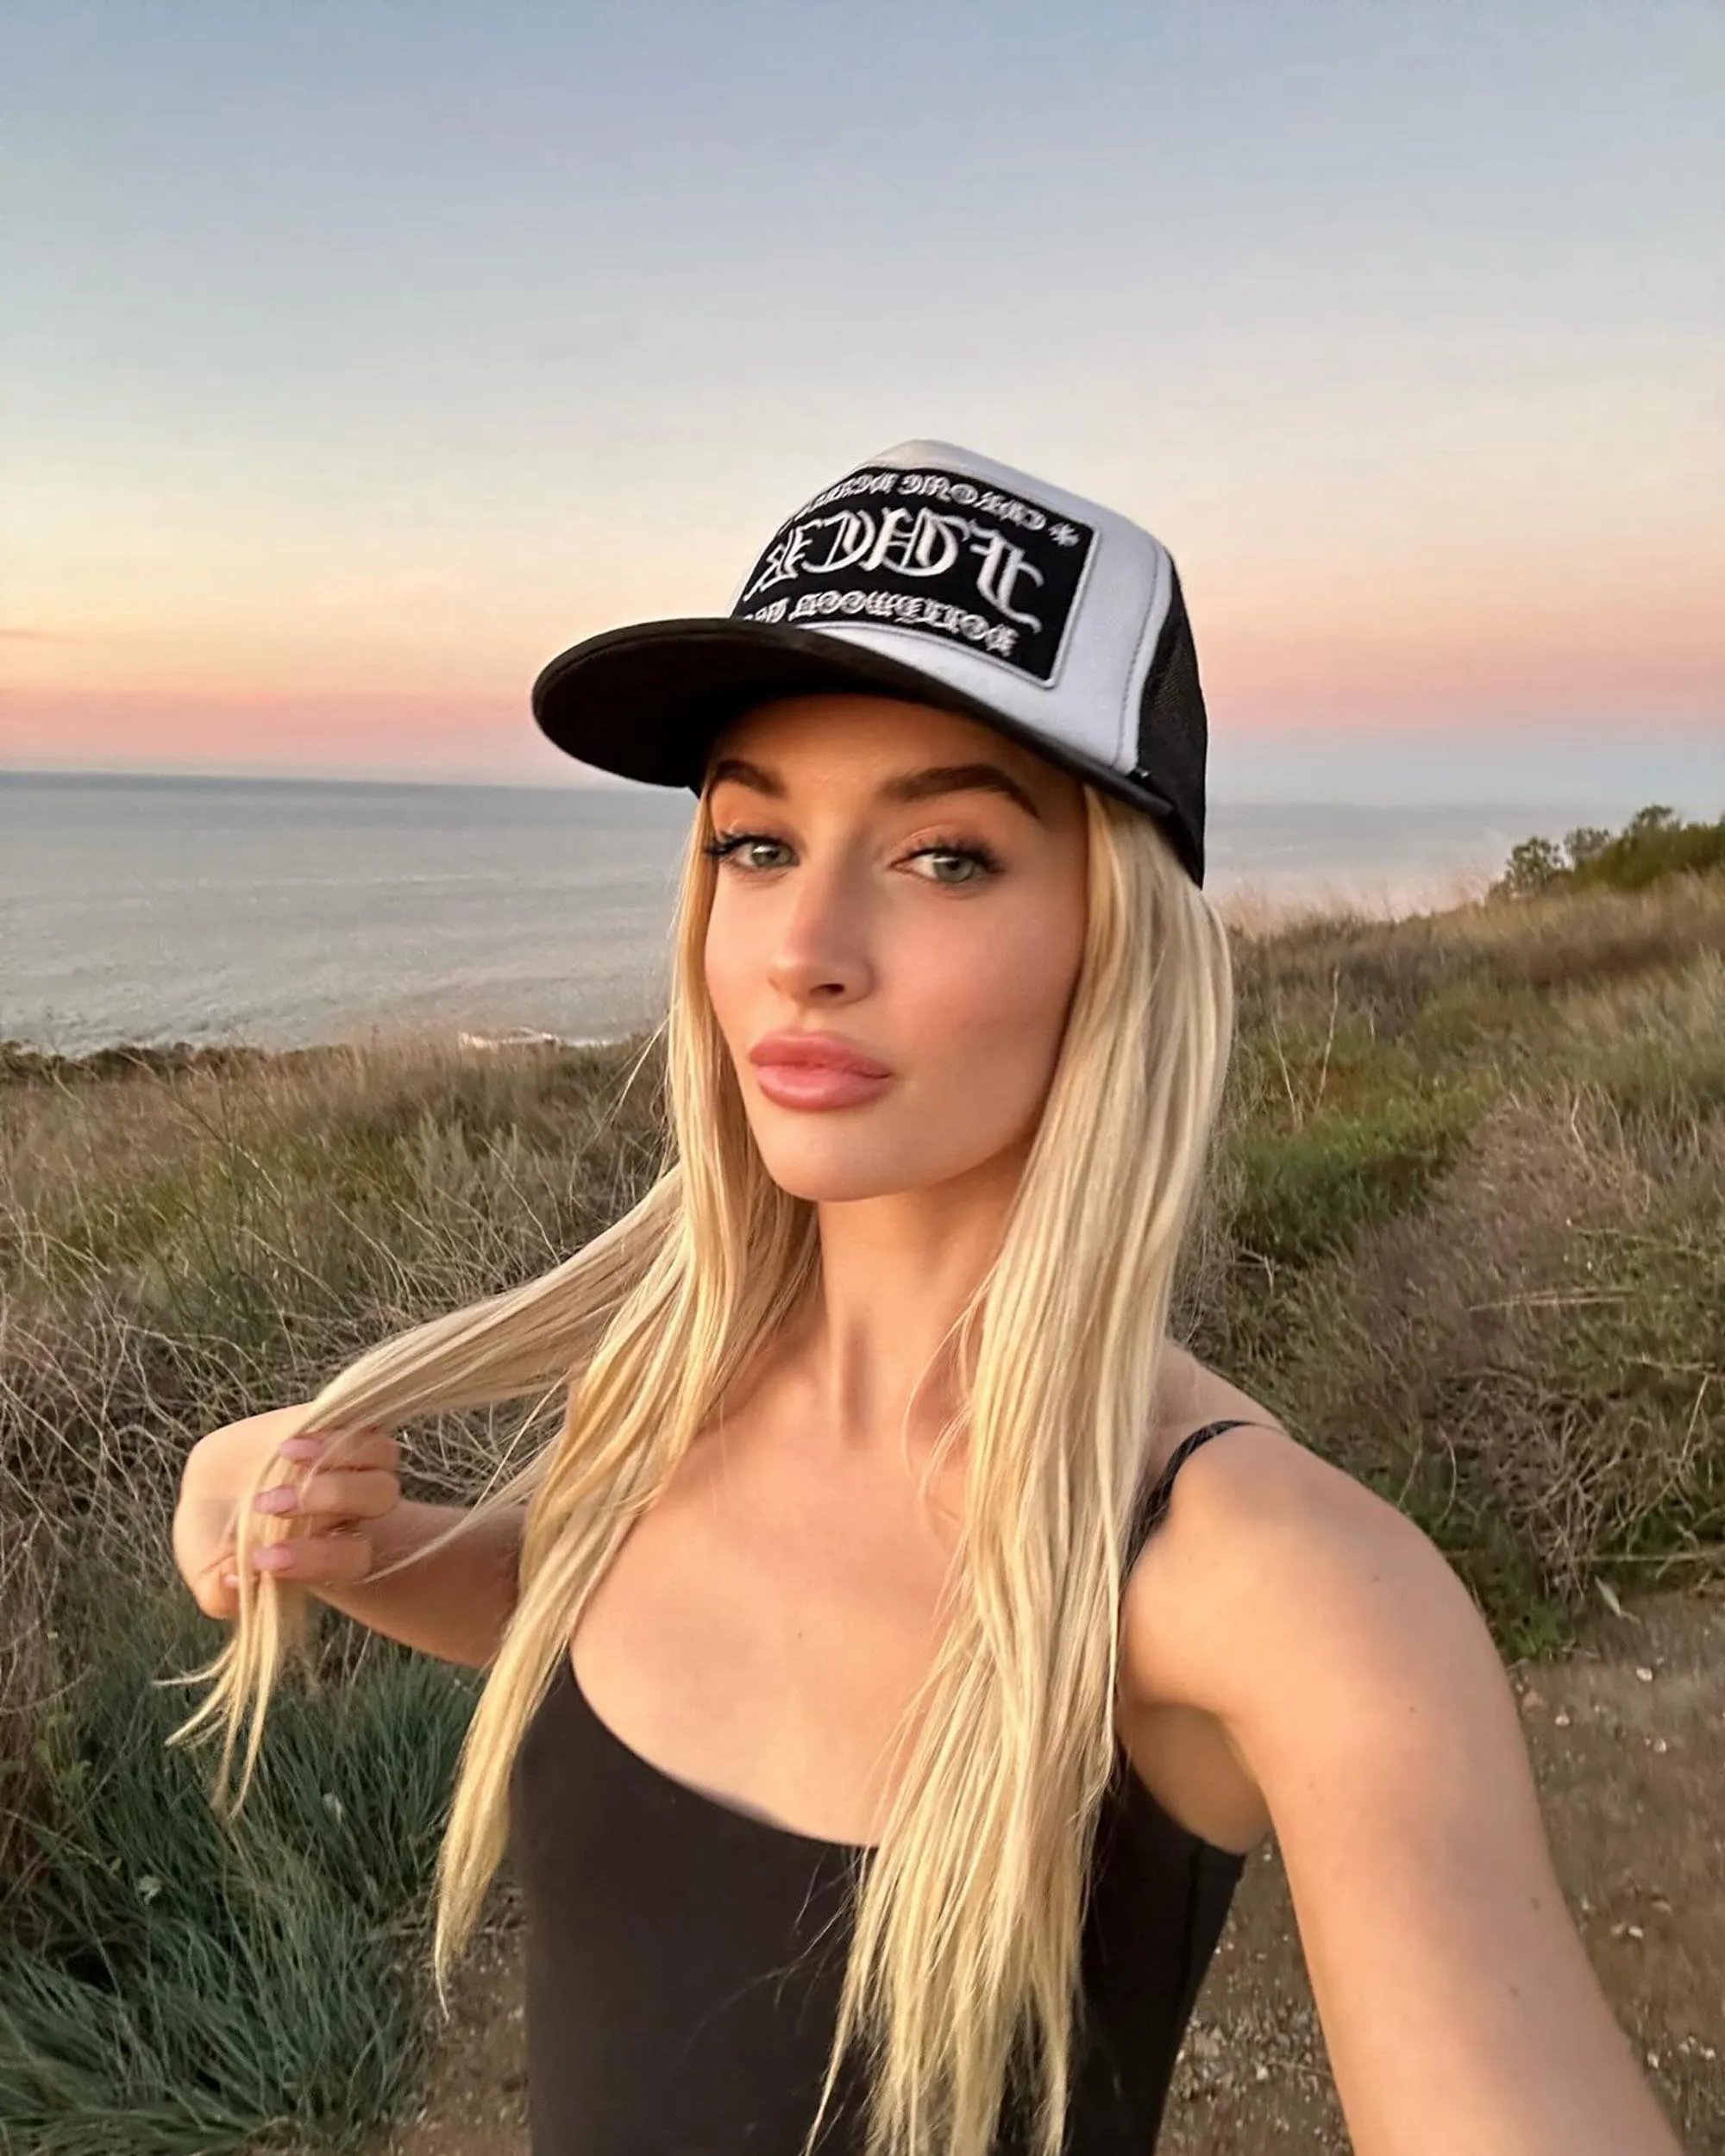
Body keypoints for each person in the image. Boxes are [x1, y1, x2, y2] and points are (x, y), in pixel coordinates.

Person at [171, 442, 1681, 2156]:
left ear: (1115, 940)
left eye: (945, 855)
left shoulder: (1270, 1584)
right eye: (754, 839)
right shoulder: (662, 1384)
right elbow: (608, 1608)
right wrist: (371, 1548)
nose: (804, 939)